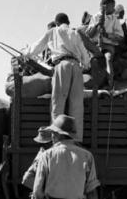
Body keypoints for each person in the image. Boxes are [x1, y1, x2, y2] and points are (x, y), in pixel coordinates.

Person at [22, 12, 92, 142]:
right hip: (76, 67)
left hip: (62, 65)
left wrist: (25, 53)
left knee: (58, 102)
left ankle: (57, 138)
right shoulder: (75, 32)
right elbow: (85, 55)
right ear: (68, 22)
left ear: (57, 22)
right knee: (77, 104)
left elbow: (36, 47)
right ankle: (76, 139)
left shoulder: (53, 31)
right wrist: (85, 65)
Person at [86, 0, 125, 87]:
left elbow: (120, 36)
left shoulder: (114, 19)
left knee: (108, 58)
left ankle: (110, 82)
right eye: (112, 6)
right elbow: (89, 35)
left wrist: (107, 35)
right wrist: (97, 24)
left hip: (108, 45)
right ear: (104, 7)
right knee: (94, 61)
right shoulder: (96, 17)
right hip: (95, 45)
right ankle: (94, 83)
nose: (114, 8)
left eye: (114, 6)